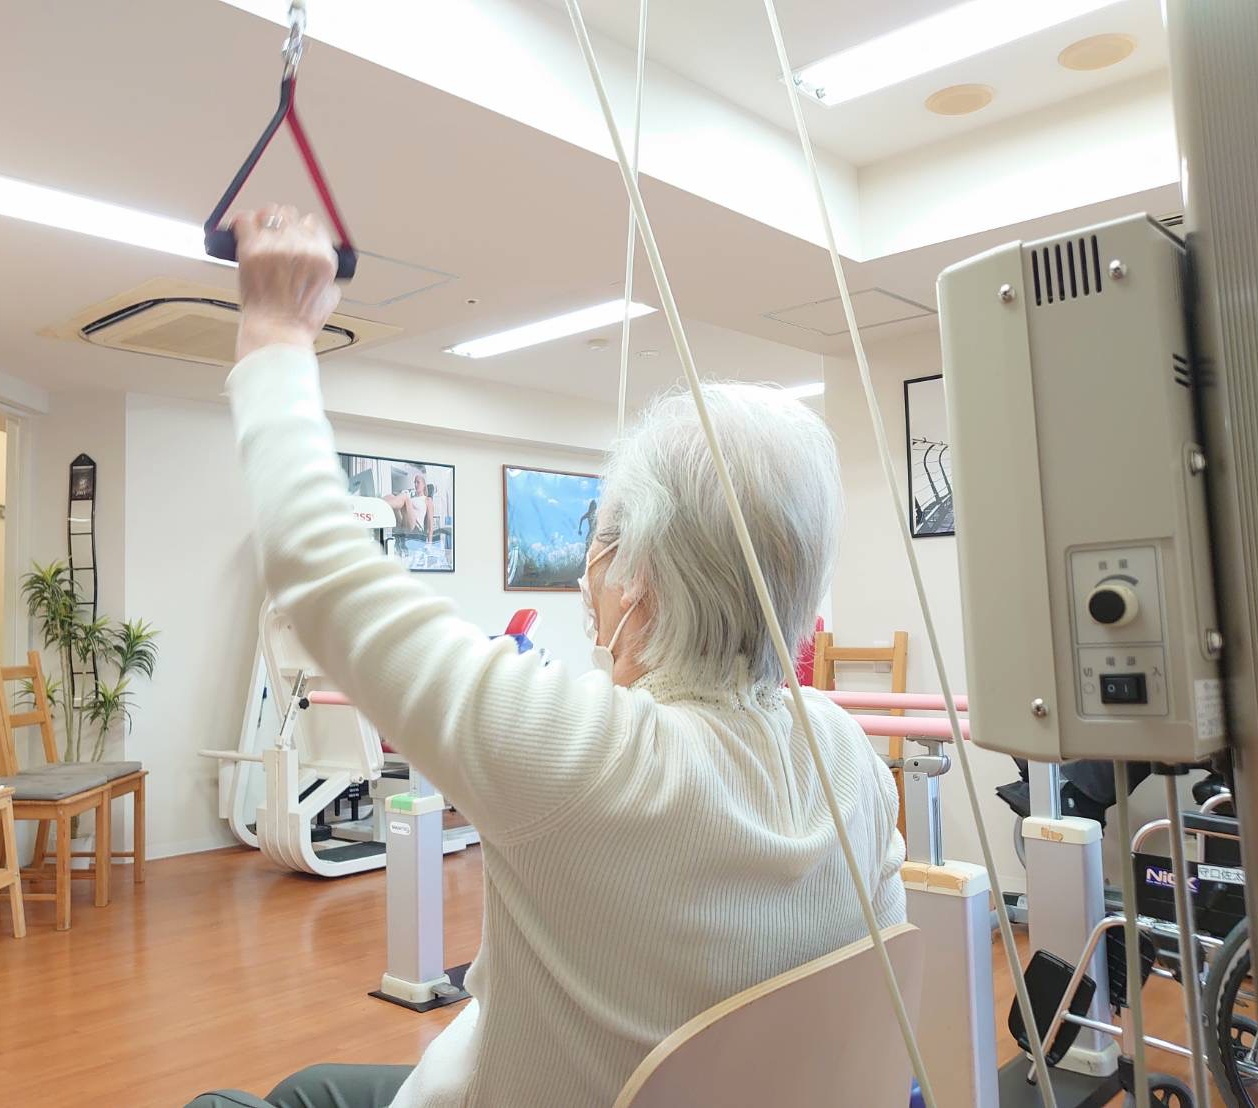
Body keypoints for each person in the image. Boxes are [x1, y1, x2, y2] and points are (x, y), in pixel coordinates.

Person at [187, 207, 905, 1108]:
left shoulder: (588, 752)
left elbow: (319, 571)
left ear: (636, 578)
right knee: (314, 1088)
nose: (585, 577)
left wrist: (277, 333)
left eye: (597, 543)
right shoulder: (845, 755)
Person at [383, 471, 435, 543]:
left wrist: (429, 544)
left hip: (416, 528)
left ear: (423, 485)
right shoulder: (412, 498)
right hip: (404, 524)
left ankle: (382, 506)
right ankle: (376, 502)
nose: (415, 484)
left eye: (418, 482)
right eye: (414, 482)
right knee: (390, 496)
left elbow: (430, 524)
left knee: (405, 497)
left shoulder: (427, 499)